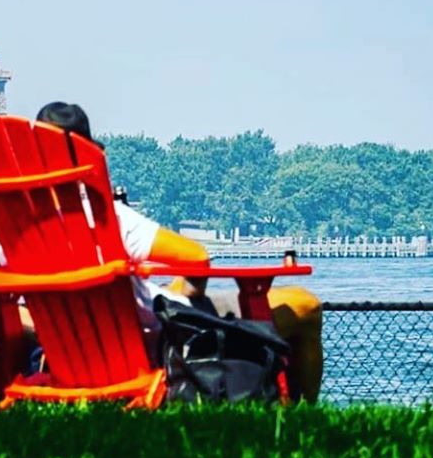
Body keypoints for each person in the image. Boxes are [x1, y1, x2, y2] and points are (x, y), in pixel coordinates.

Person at [35, 101, 323, 402]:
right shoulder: (109, 219)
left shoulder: (16, 233)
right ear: (90, 157)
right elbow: (196, 258)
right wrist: (178, 291)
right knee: (306, 305)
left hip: (73, 352)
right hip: (162, 335)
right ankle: (301, 415)